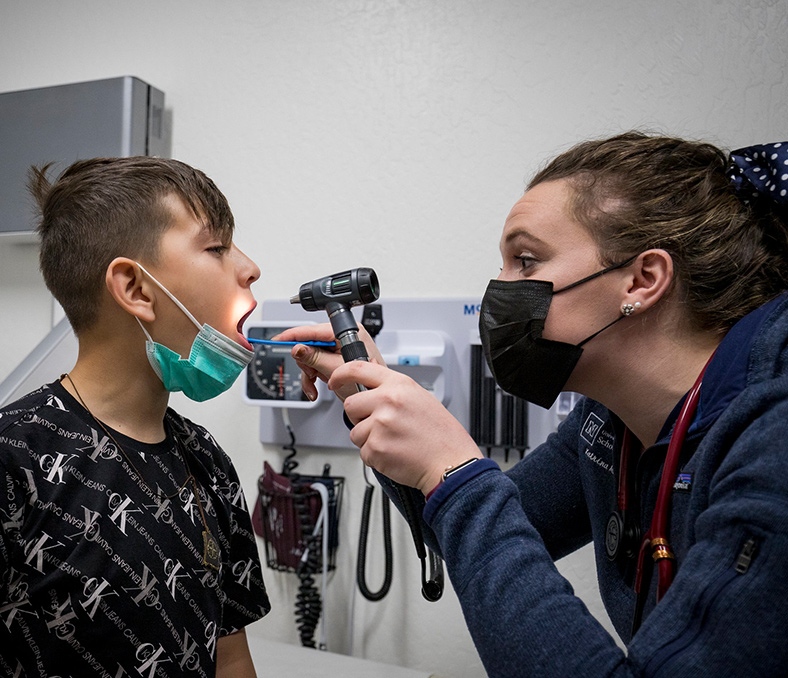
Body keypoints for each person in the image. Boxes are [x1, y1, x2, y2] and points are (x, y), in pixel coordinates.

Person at [278, 133, 788, 676]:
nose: (499, 287)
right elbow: (459, 526)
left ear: (642, 280)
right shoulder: (609, 424)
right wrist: (375, 397)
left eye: (525, 260)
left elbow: (467, 501)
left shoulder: (772, 443)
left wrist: (453, 468)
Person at [0, 157, 270, 676]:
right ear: (135, 289)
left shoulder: (208, 463)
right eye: (216, 248)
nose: (249, 267)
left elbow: (230, 661)